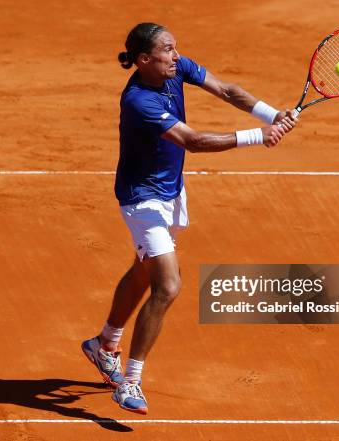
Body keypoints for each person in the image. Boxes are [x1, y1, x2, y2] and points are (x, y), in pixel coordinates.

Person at [82, 22, 297, 415]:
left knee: (144, 270)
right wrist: (257, 136)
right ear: (144, 59)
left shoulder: (176, 67)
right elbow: (193, 142)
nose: (176, 55)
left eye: (176, 47)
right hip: (142, 199)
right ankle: (130, 381)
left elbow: (228, 91)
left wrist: (271, 115)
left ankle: (104, 343)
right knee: (168, 285)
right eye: (167, 50)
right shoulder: (138, 102)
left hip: (171, 192)